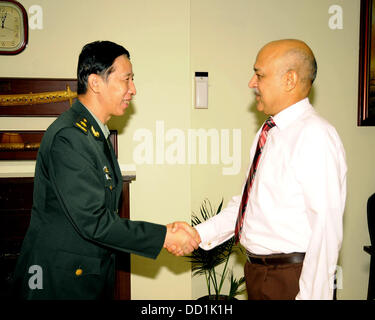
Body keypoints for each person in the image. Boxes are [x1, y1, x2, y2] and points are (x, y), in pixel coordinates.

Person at [12, 40, 198, 300]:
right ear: (95, 82)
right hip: (59, 282)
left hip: (84, 275)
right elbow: (93, 221)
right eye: (126, 79)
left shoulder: (93, 133)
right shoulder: (71, 136)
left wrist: (163, 233)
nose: (133, 89)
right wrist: (163, 236)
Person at [173, 39, 347, 300]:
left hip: (292, 280)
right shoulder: (268, 132)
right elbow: (247, 207)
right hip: (259, 275)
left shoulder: (316, 136)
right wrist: (199, 234)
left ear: (289, 80)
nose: (251, 83)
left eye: (259, 74)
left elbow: (326, 232)